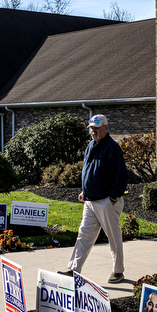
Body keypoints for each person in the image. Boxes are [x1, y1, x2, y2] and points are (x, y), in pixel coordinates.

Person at [61, 114, 129, 283]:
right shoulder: (91, 146)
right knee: (83, 235)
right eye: (91, 128)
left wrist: (112, 197)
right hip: (90, 200)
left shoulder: (113, 148)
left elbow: (121, 177)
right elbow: (89, 170)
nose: (93, 132)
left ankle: (118, 271)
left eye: (96, 128)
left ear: (106, 128)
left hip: (106, 201)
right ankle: (74, 269)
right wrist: (85, 190)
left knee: (113, 237)